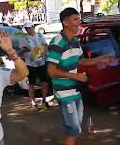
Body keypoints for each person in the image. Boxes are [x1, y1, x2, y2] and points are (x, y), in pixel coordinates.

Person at [47, 8, 114, 145]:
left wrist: (100, 59)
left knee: (75, 128)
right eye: (76, 19)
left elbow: (80, 61)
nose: (79, 22)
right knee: (74, 129)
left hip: (75, 90)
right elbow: (51, 71)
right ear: (65, 22)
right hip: (63, 92)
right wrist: (75, 76)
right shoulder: (57, 42)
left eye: (79, 19)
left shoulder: (76, 41)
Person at [19, 21, 49, 110]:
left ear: (33, 27)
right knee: (31, 84)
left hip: (41, 63)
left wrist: (44, 52)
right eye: (27, 28)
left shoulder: (40, 36)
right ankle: (33, 102)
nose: (28, 30)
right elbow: (22, 49)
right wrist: (23, 51)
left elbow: (45, 46)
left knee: (44, 83)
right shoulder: (23, 38)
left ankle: (44, 101)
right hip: (30, 64)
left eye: (30, 27)